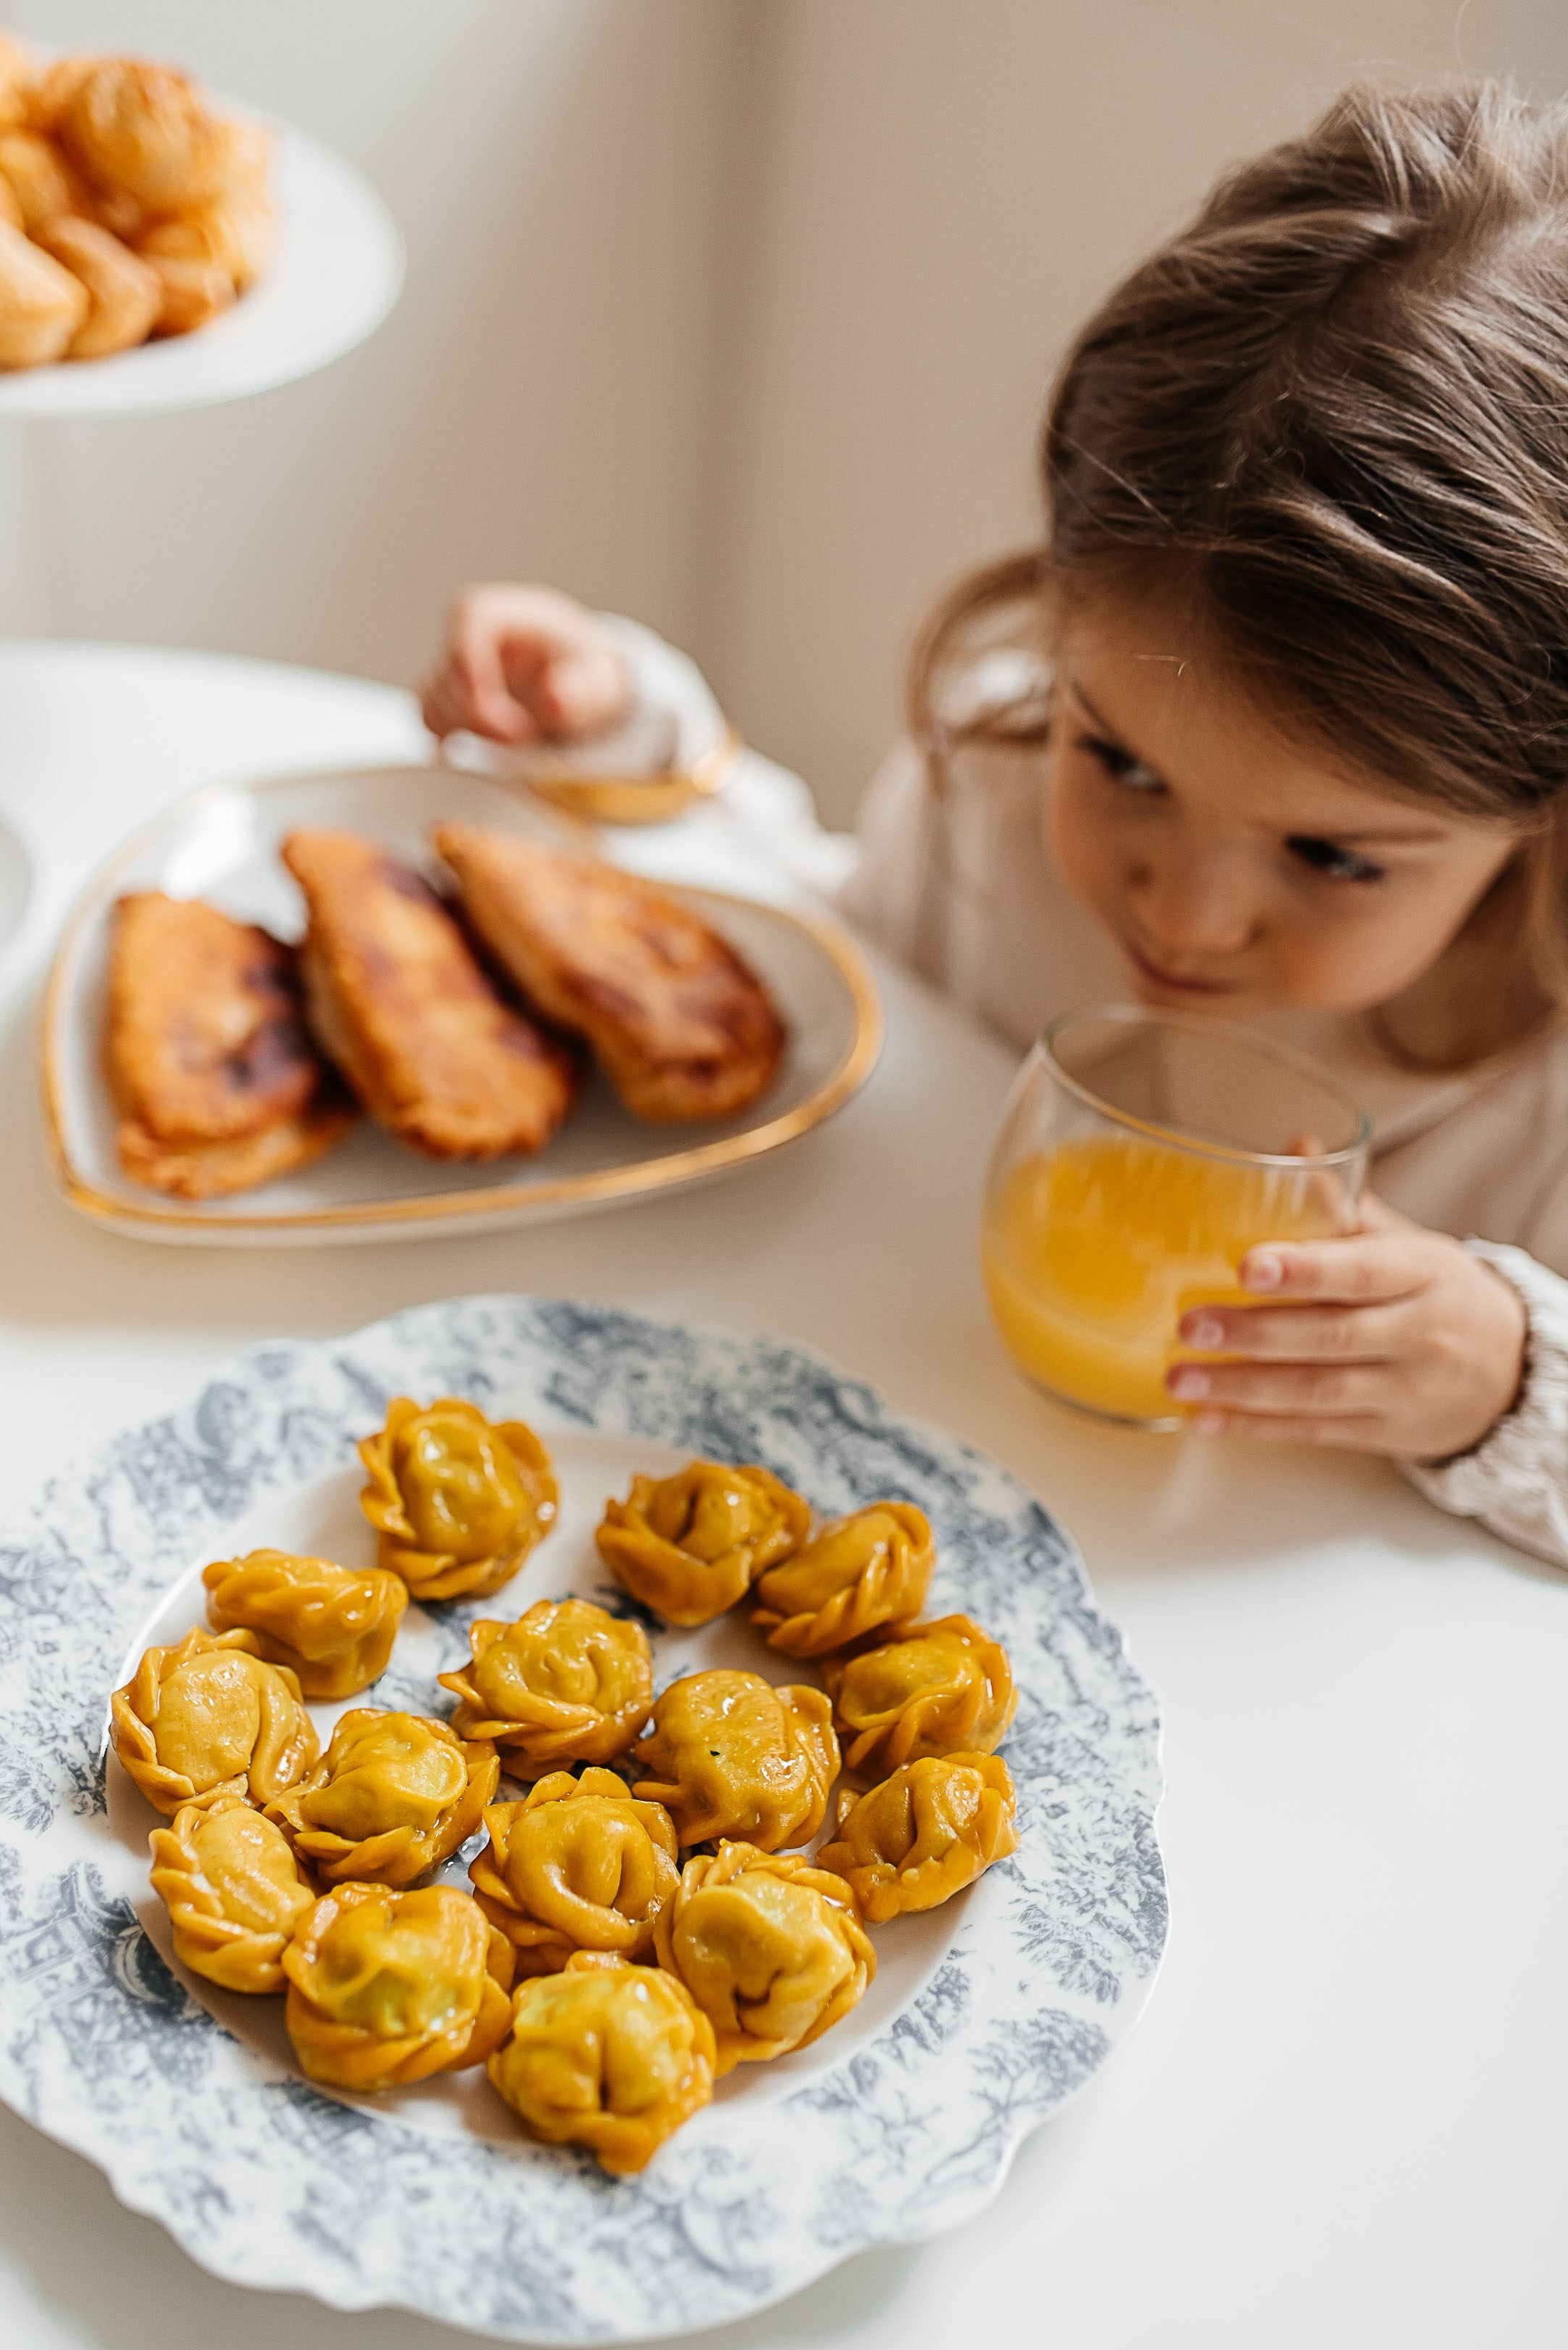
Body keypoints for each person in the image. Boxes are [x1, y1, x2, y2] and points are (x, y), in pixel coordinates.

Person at [418, 79, 1568, 1572]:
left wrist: (1507, 1381)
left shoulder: (1539, 1088)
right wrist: (642, 747)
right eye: (1129, 765)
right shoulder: (1002, 784)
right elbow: (826, 968)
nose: (1185, 912)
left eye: (1333, 857)